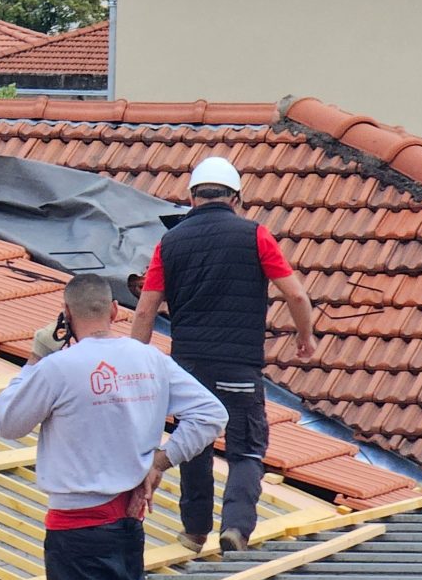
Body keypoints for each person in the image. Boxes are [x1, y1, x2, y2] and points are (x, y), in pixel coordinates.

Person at [0, 275, 227, 580]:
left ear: (66, 313)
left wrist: (36, 357)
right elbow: (212, 415)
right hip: (129, 524)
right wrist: (160, 461)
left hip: (74, 528)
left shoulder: (57, 367)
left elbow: (8, 423)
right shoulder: (150, 358)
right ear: (115, 311)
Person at [130, 156, 317, 555]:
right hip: (239, 365)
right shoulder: (256, 236)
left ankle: (195, 531)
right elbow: (297, 294)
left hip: (189, 366)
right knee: (246, 447)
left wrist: (135, 363)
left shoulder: (170, 242)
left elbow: (146, 309)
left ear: (193, 197)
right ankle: (235, 527)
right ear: (236, 197)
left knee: (194, 440)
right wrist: (306, 337)